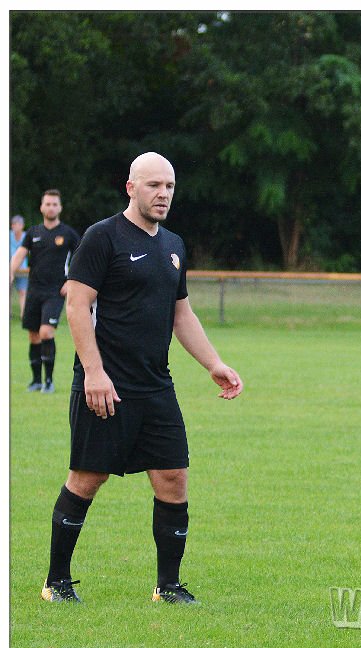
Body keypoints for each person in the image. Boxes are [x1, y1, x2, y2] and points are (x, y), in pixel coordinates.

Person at [41, 152, 243, 605]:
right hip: (106, 384)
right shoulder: (103, 237)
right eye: (154, 185)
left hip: (156, 385)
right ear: (131, 188)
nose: (163, 194)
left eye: (169, 186)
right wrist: (94, 372)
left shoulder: (173, 244)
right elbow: (77, 305)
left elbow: (181, 313)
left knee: (173, 476)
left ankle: (167, 586)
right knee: (87, 477)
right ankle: (56, 582)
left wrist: (213, 363)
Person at [10, 191, 79, 393]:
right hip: (34, 290)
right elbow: (19, 255)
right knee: (33, 336)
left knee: (46, 332)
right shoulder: (33, 232)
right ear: (41, 207)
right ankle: (36, 381)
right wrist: (9, 273)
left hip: (55, 292)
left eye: (54, 204)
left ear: (60, 207)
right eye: (47, 204)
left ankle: (49, 381)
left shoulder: (68, 234)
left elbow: (82, 257)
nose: (51, 207)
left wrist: (71, 281)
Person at [10, 214, 29, 318]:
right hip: (8, 268)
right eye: (13, 224)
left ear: (22, 226)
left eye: (17, 224)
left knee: (23, 291)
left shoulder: (27, 237)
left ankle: (23, 315)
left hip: (23, 269)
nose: (15, 226)